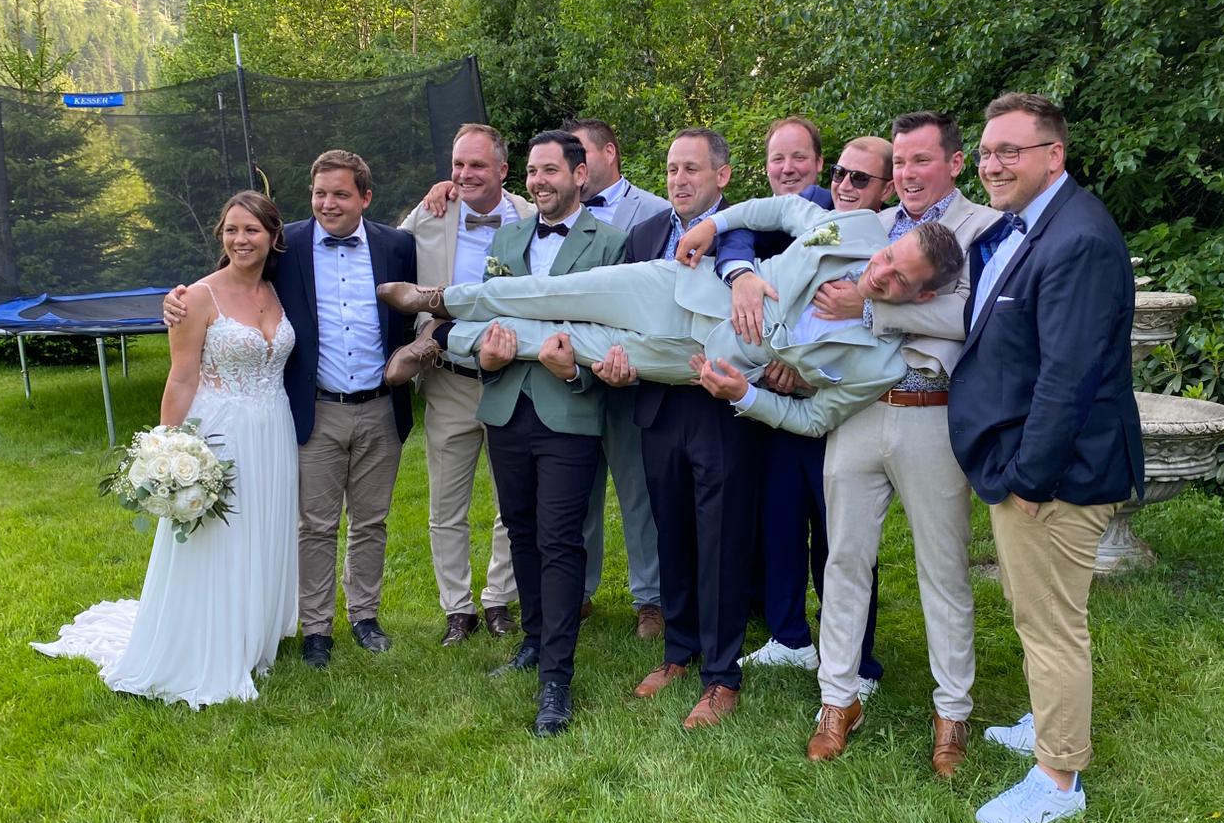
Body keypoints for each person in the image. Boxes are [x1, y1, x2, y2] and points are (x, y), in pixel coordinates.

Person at [381, 191, 965, 439]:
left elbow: (814, 419)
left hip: (695, 361)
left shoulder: (879, 364)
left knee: (558, 342)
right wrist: (717, 225)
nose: (880, 272)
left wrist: (745, 395)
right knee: (552, 293)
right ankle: (440, 298)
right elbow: (786, 207)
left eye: (898, 279)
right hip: (679, 288)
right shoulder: (858, 227)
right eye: (890, 257)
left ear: (920, 298)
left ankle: (446, 338)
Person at [948, 92, 1143, 823]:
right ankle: (1047, 720)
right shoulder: (1037, 224)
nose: (993, 165)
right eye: (987, 152)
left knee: (1052, 623)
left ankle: (1058, 779)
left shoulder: (1078, 239)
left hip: (1056, 473)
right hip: (1029, 461)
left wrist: (1030, 477)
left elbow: (1070, 375)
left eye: (1011, 151)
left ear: (1053, 155)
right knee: (1036, 608)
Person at [33, 192, 299, 707]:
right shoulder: (196, 298)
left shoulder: (279, 288)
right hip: (221, 434)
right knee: (219, 539)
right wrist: (165, 450)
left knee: (265, 527)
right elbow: (181, 377)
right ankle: (207, 644)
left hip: (275, 430)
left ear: (273, 236)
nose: (240, 239)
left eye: (251, 230)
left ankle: (255, 633)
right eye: (231, 230)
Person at [803, 113, 1001, 778]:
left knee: (943, 568)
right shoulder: (869, 225)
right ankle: (838, 700)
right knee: (843, 559)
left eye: (923, 160)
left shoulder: (984, 229)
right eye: (901, 163)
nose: (909, 174)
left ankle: (952, 713)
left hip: (931, 417)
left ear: (955, 162)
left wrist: (870, 310)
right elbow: (820, 298)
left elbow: (970, 315)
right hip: (857, 411)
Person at [163, 150, 416, 669]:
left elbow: (413, 314)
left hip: (381, 407)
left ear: (365, 197)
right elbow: (233, 277)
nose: (328, 204)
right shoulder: (287, 243)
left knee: (372, 520)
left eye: (341, 194)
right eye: (320, 193)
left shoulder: (398, 246)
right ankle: (316, 628)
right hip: (315, 408)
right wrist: (175, 301)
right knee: (315, 524)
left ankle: (365, 617)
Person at [415, 130, 628, 737]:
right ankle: (534, 639)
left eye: (550, 171)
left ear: (580, 175)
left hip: (570, 410)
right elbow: (488, 315)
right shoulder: (508, 239)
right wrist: (486, 358)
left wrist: (575, 371)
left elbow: (615, 333)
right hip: (506, 407)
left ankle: (557, 678)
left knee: (560, 540)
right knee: (523, 531)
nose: (539, 182)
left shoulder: (610, 243)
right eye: (533, 172)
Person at [592, 128, 759, 728]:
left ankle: (722, 676)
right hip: (658, 407)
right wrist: (614, 363)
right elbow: (620, 311)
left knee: (720, 539)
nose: (679, 180)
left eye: (692, 169)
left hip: (720, 410)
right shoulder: (643, 235)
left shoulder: (744, 232)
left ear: (722, 175)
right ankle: (679, 652)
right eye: (671, 170)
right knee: (673, 535)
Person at [739, 137, 894, 689]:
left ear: (886, 189)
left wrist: (812, 375)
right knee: (781, 523)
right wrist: (740, 273)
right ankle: (789, 637)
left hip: (845, 411)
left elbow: (888, 338)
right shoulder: (801, 215)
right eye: (841, 175)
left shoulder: (889, 243)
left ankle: (857, 657)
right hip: (780, 403)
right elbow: (738, 232)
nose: (845, 185)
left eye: (860, 178)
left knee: (842, 538)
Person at [393, 124, 533, 647]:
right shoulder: (431, 213)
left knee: (511, 501)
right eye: (458, 165)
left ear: (503, 170)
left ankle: (499, 600)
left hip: (511, 379)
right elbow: (385, 255)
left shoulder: (529, 216)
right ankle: (457, 608)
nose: (464, 174)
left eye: (477, 165)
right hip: (448, 378)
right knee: (445, 506)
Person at [562, 119, 670, 639]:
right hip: (571, 374)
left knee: (637, 490)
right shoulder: (557, 212)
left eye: (581, 153)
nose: (574, 166)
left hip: (632, 374)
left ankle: (651, 598)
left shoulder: (656, 212)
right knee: (577, 487)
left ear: (609, 152)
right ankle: (577, 590)